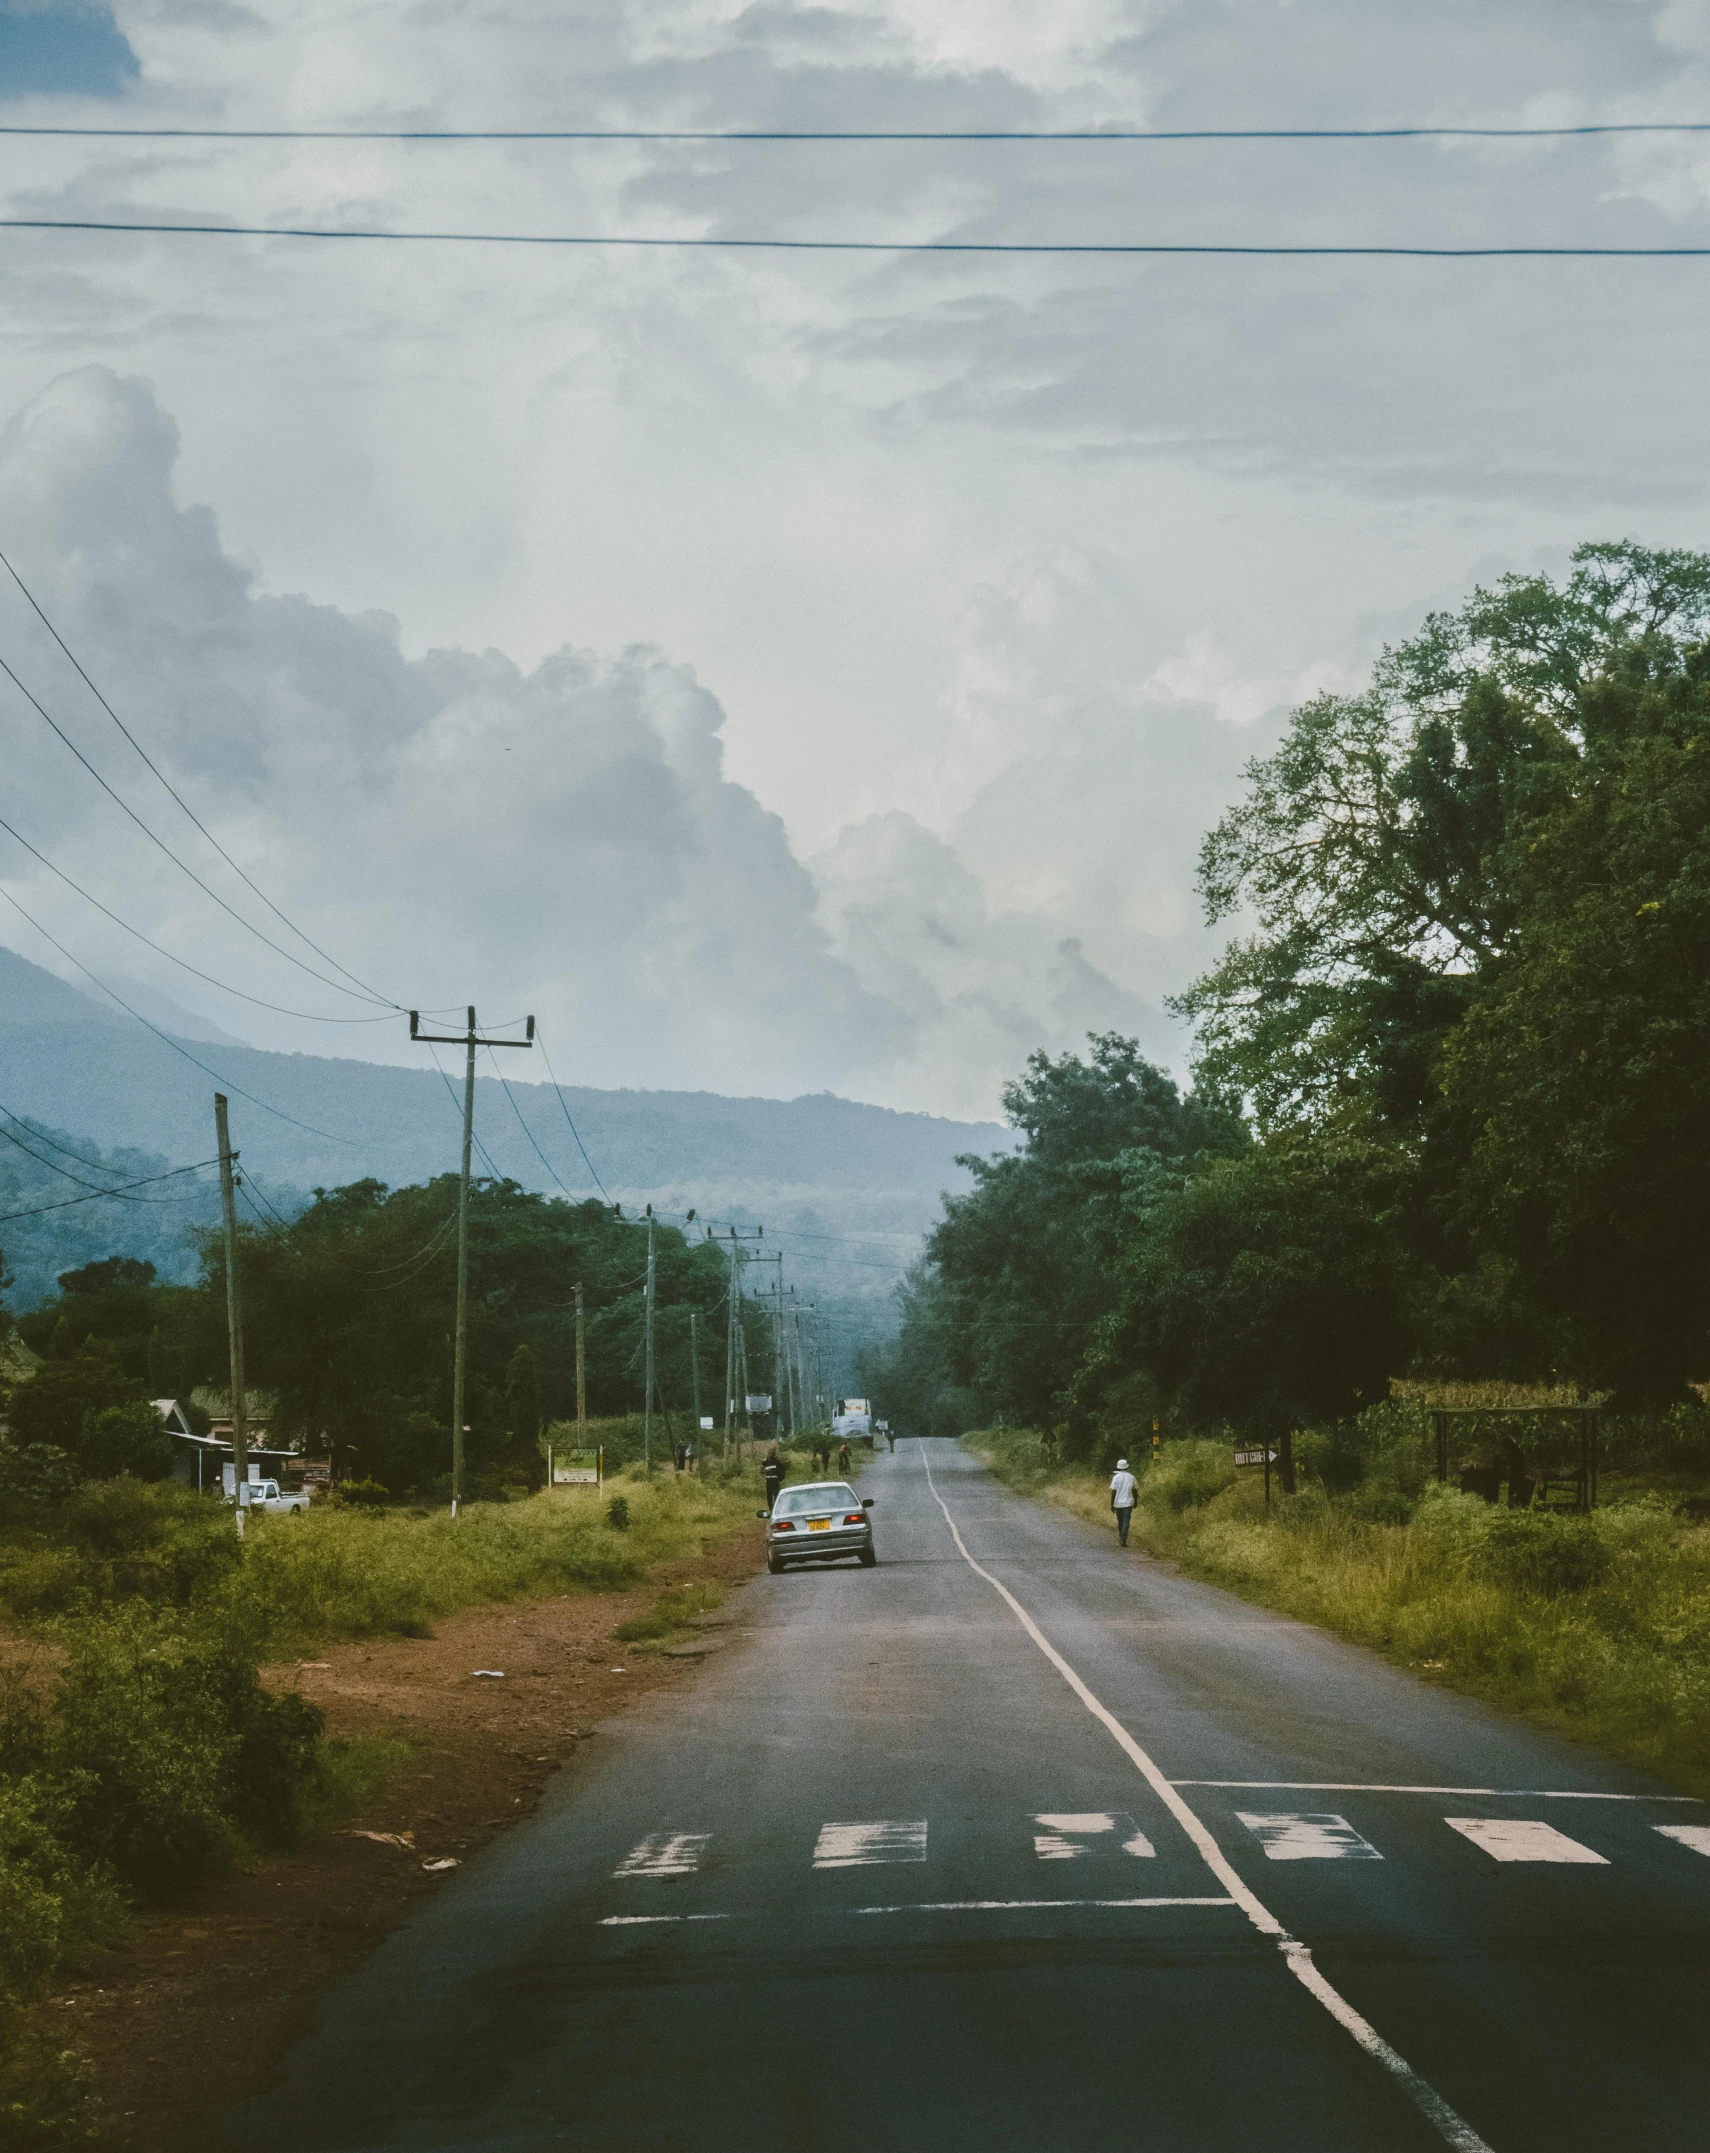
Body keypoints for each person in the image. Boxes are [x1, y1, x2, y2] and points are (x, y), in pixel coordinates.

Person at [1109, 1457, 1139, 1547]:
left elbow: (1113, 1492)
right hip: (1128, 1502)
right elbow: (1135, 1491)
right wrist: (1136, 1502)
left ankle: (1121, 1536)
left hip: (1118, 1503)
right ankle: (1123, 1538)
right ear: (1127, 1467)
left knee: (1120, 1520)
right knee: (1126, 1521)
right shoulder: (1131, 1477)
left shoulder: (1116, 1477)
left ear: (1118, 1467)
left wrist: (1112, 1504)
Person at [762, 1447, 785, 1512]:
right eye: (769, 1452)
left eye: (772, 1453)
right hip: (768, 1480)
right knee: (769, 1494)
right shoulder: (765, 1461)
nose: (770, 1454)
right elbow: (761, 1470)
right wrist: (766, 1471)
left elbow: (782, 1469)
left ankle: (776, 1507)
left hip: (775, 1480)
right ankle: (770, 1507)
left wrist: (779, 1477)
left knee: (776, 1494)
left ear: (774, 1454)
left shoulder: (777, 1461)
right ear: (768, 1453)